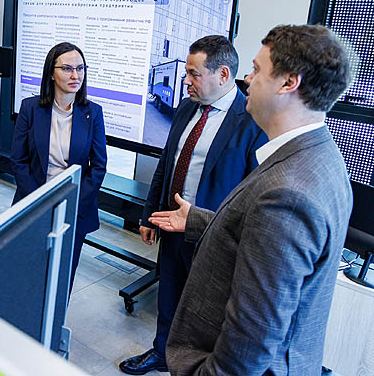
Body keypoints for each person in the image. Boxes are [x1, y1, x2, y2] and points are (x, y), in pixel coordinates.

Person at [150, 25, 354, 375]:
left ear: (288, 83)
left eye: (257, 70)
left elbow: (251, 342)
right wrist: (198, 219)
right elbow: (259, 233)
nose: (246, 78)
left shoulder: (288, 195)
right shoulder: (318, 155)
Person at [120, 35, 267, 375]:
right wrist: (149, 214)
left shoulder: (251, 121)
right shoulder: (187, 108)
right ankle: (162, 352)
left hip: (214, 234)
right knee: (168, 295)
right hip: (172, 225)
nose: (185, 81)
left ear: (223, 75)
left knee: (206, 311)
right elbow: (167, 162)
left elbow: (252, 192)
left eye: (193, 74)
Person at [10, 42, 107, 287]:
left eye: (80, 68)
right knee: (29, 276)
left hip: (74, 208)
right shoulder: (30, 108)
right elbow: (19, 160)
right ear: (51, 73)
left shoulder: (93, 113)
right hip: (34, 202)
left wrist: (71, 202)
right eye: (67, 69)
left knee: (62, 279)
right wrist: (39, 201)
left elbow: (98, 167)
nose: (76, 75)